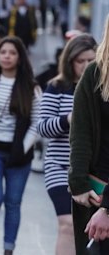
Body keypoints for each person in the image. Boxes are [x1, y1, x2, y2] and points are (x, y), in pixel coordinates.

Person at [0, 36, 41, 255]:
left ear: (20, 58)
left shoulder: (31, 88)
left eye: (12, 53)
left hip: (19, 156)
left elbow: (37, 123)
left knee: (13, 204)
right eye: (3, 52)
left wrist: (22, 148)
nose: (6, 56)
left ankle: (8, 249)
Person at [38, 34, 97, 255]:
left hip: (94, 171)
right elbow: (42, 128)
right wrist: (68, 119)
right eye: (80, 61)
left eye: (91, 60)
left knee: (89, 229)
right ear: (70, 61)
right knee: (67, 225)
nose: (85, 66)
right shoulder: (57, 87)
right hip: (60, 166)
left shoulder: (101, 89)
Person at [69, 17, 109, 255]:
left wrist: (107, 209)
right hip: (95, 189)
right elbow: (80, 133)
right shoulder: (95, 72)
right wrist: (78, 184)